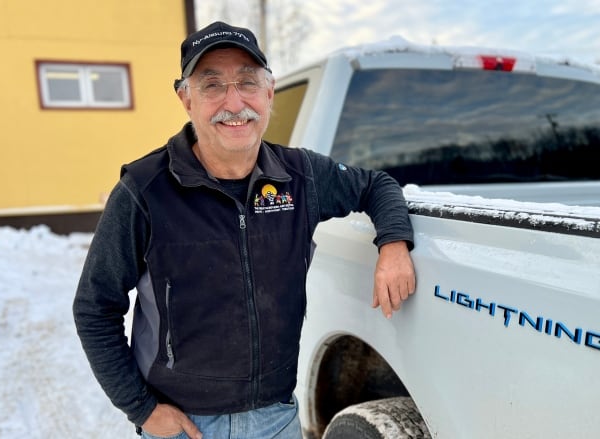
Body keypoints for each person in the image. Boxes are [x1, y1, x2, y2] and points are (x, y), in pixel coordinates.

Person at [72, 21, 416, 439]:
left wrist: (394, 245)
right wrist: (141, 409)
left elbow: (377, 185)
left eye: (248, 82)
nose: (235, 103)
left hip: (276, 418)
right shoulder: (144, 191)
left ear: (269, 93)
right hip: (184, 426)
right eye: (212, 85)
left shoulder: (300, 175)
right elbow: (95, 307)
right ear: (186, 99)